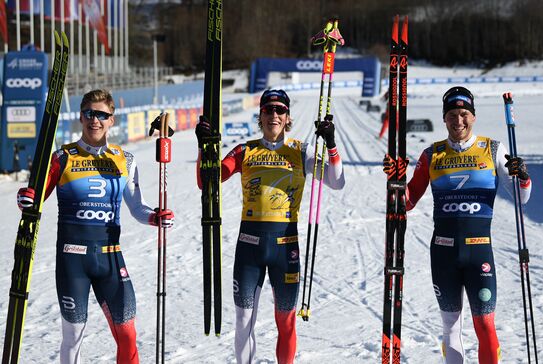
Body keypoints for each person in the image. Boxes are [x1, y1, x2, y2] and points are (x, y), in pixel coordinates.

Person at [16, 89, 174, 363]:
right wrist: (25, 198)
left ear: (112, 119)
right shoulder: (62, 157)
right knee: (73, 337)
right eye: (90, 113)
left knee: (128, 335)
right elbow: (35, 197)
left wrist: (155, 217)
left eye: (102, 115)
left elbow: (137, 207)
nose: (95, 120)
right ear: (81, 116)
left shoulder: (125, 159)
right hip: (72, 261)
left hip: (111, 258)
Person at [383, 86, 532, 363]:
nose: (458, 120)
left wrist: (521, 175)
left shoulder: (493, 149)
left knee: (485, 325)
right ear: (444, 119)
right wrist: (396, 182)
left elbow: (522, 198)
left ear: (473, 117)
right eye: (452, 114)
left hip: (479, 254)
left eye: (464, 114)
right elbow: (408, 202)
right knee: (451, 327)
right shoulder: (432, 154)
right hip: (443, 254)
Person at [195, 89, 345, 364]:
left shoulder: (301, 150)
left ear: (287, 117)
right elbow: (207, 181)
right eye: (268, 110)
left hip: (285, 249)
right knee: (242, 321)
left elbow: (337, 181)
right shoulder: (245, 150)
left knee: (286, 321)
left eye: (279, 110)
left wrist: (332, 144)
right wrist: (203, 148)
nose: (273, 115)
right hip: (249, 247)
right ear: (260, 115)